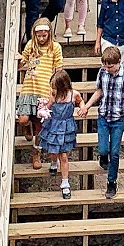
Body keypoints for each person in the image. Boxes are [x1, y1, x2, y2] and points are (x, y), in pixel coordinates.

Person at [13, 18, 64, 170]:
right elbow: (23, 62)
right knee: (23, 119)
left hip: (44, 90)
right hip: (30, 87)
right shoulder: (30, 45)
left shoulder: (55, 47)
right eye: (39, 36)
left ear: (49, 34)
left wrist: (54, 91)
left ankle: (36, 154)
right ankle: (25, 127)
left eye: (44, 36)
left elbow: (58, 69)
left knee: (39, 126)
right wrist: (20, 59)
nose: (41, 39)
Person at [82, 44, 124, 199]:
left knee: (115, 152)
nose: (107, 69)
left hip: (118, 118)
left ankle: (111, 182)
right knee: (103, 149)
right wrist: (87, 106)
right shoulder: (102, 72)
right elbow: (99, 91)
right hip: (103, 116)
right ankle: (103, 157)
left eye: (110, 66)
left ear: (118, 63)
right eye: (105, 66)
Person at [38, 68, 83, 199]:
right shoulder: (53, 95)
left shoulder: (73, 94)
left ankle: (65, 183)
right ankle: (53, 162)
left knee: (63, 155)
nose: (53, 89)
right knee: (53, 150)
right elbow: (48, 106)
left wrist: (83, 108)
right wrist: (43, 109)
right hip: (54, 125)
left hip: (66, 126)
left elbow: (80, 101)